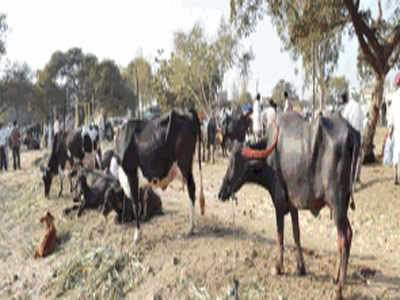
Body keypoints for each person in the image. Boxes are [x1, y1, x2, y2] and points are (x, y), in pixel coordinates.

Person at [387, 72, 400, 183]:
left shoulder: (394, 98)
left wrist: (390, 130)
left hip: (397, 129)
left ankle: (396, 174)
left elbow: (390, 117)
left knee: (397, 150)